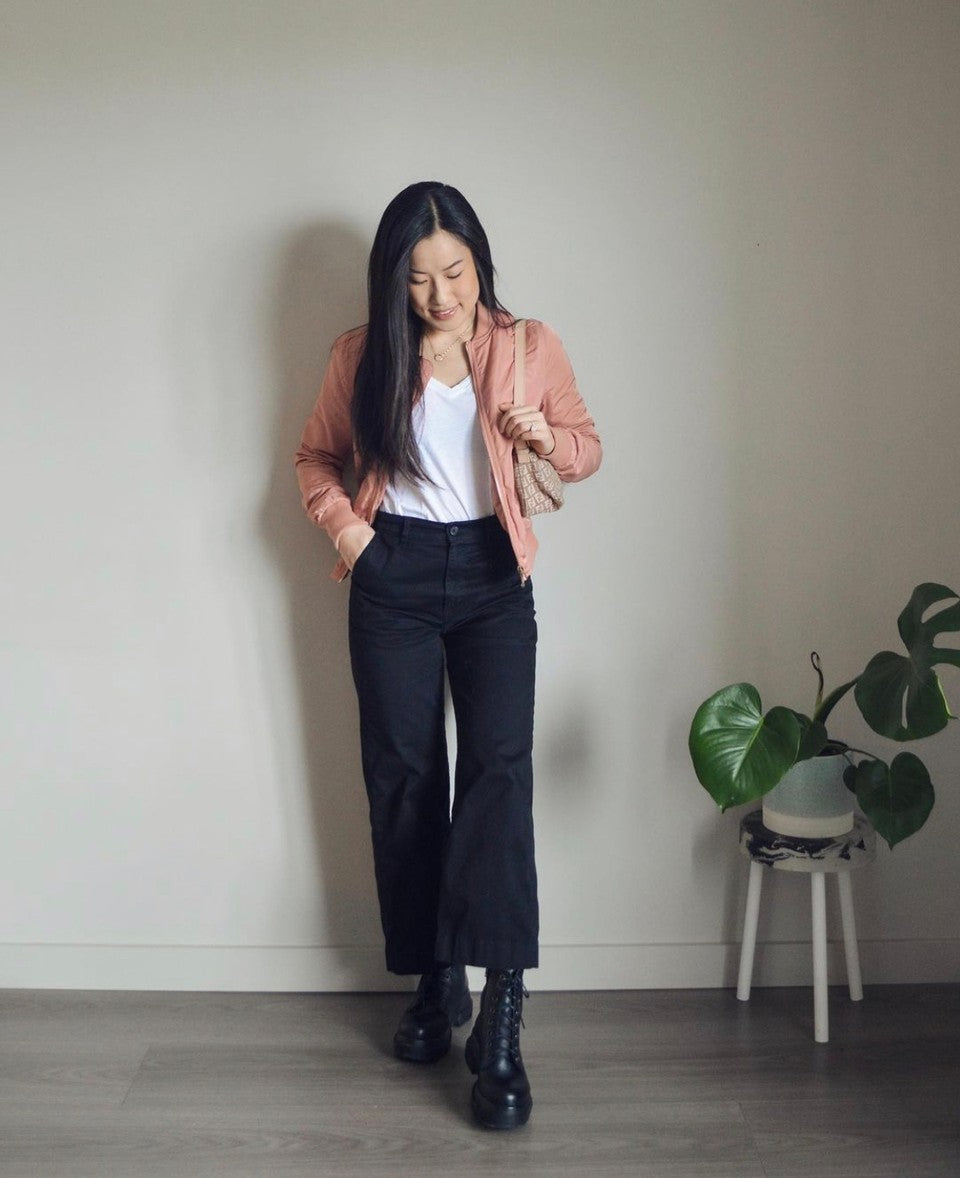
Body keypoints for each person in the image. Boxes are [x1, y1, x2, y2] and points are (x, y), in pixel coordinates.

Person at [294, 181, 601, 1130]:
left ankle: (501, 1016)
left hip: (491, 576)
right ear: (395, 281)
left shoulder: (528, 346)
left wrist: (547, 436)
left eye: (455, 272)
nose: (440, 295)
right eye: (419, 278)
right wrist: (354, 537)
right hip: (393, 574)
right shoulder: (362, 356)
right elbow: (314, 459)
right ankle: (437, 979)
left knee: (499, 778)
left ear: (479, 263)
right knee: (407, 777)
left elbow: (585, 448)